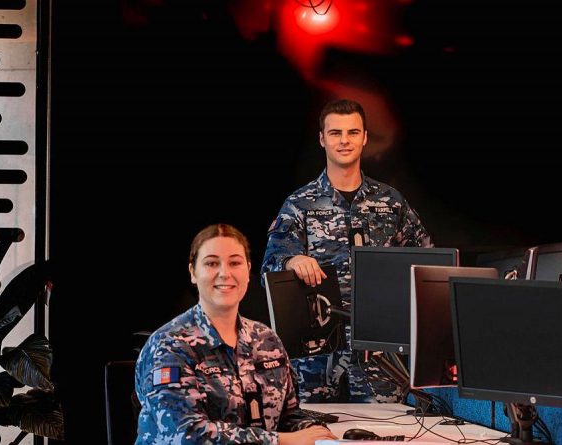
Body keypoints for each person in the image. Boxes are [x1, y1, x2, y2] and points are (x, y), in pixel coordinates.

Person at [261, 99, 432, 403]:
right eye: (336, 133)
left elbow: (429, 266)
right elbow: (269, 270)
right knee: (316, 432)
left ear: (365, 137)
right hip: (316, 356)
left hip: (380, 354)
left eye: (352, 132)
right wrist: (293, 259)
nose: (344, 141)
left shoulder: (391, 203)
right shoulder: (301, 203)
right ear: (322, 139)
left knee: (384, 434)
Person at [135, 223, 337, 445]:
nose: (225, 273)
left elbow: (288, 416)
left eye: (235, 262)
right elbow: (188, 435)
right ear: (193, 272)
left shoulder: (267, 340)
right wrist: (283, 441)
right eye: (212, 263)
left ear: (248, 270)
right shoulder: (169, 346)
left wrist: (318, 434)